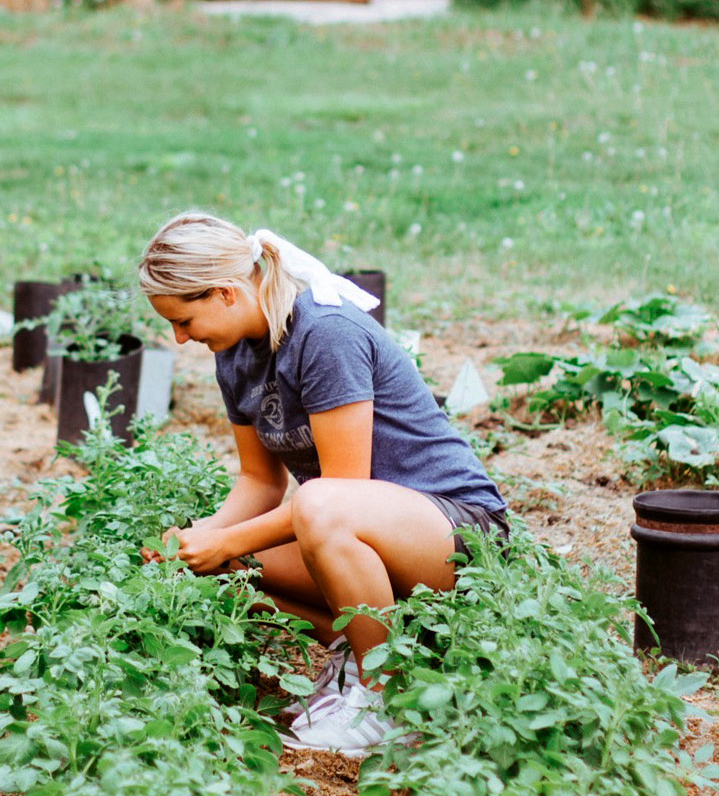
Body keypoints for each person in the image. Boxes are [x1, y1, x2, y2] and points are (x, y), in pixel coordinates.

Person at [137, 211, 508, 756]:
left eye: (185, 320)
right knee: (224, 564)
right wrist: (199, 539)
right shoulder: (235, 354)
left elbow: (341, 490)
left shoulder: (323, 331)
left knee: (315, 505)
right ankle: (359, 659)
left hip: (458, 534)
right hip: (362, 533)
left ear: (224, 293)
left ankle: (387, 700)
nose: (180, 337)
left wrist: (227, 538)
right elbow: (258, 481)